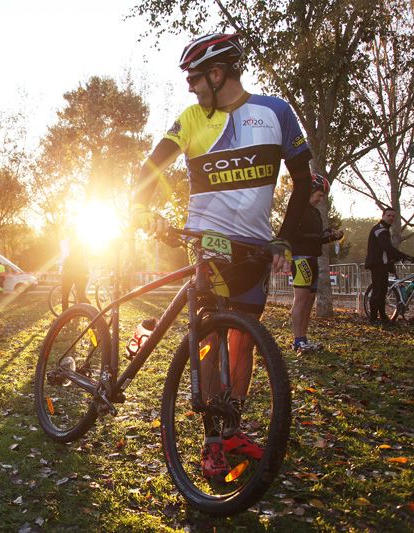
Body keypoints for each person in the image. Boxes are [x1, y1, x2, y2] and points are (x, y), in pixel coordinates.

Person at [131, 33, 313, 480]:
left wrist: (284, 240)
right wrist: (139, 207)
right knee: (211, 339)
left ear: (217, 74)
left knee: (243, 341)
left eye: (195, 78)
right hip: (209, 244)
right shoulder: (192, 119)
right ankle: (212, 439)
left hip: (255, 247)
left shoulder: (276, 112)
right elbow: (151, 167)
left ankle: (231, 429)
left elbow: (304, 181)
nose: (190, 87)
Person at [289, 174, 343, 352]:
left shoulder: (315, 212)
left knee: (310, 300)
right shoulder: (297, 208)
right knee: (301, 299)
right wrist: (320, 236)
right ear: (310, 190)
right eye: (319, 195)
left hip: (313, 258)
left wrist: (330, 236)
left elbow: (315, 238)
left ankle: (303, 338)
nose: (321, 199)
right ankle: (297, 340)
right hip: (301, 259)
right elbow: (295, 235)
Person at [365, 207, 414, 324]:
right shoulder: (380, 230)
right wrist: (405, 256)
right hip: (378, 264)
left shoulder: (383, 229)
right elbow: (387, 247)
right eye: (388, 215)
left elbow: (385, 249)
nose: (391, 218)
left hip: (382, 264)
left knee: (382, 292)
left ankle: (383, 318)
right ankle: (373, 319)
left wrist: (396, 259)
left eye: (393, 216)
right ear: (383, 216)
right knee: (378, 292)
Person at [61, 231, 89, 312]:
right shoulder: (79, 246)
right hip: (78, 272)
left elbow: (65, 257)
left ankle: (65, 315)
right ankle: (85, 312)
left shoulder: (68, 245)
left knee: (65, 295)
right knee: (81, 295)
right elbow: (83, 259)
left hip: (70, 273)